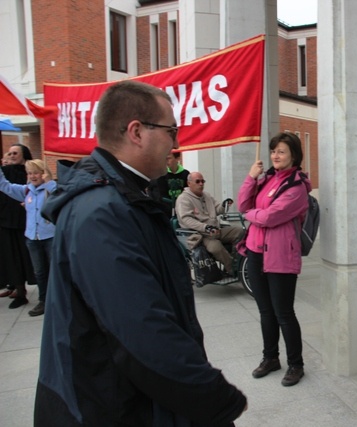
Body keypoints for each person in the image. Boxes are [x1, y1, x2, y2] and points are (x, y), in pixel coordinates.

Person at [36, 80, 247, 426]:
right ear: (137, 132)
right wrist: (216, 399)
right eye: (171, 131)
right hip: (108, 407)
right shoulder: (101, 213)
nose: (176, 144)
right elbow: (142, 332)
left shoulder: (126, 199)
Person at [237, 131, 311, 387]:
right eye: (273, 151)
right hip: (255, 253)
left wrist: (250, 214)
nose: (275, 156)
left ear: (294, 155)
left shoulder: (297, 187)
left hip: (280, 257)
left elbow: (270, 217)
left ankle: (296, 364)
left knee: (283, 313)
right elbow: (242, 203)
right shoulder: (266, 178)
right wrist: (251, 177)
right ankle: (270, 358)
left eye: (281, 151)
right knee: (265, 311)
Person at [0, 159, 56, 316]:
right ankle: (43, 300)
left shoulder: (52, 189)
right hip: (33, 238)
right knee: (39, 272)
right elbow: (4, 185)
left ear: (43, 173)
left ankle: (59, 300)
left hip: (50, 236)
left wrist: (49, 182)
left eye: (36, 172)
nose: (32, 176)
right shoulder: (26, 191)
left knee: (55, 270)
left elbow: (61, 194)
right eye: (30, 173)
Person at [175, 171, 243, 275]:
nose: (201, 184)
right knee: (215, 247)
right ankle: (232, 269)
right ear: (189, 183)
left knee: (241, 231)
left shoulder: (207, 195)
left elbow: (218, 209)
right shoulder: (183, 199)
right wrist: (205, 227)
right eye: (198, 181)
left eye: (203, 181)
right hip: (201, 235)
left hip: (216, 230)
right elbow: (187, 220)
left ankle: (238, 260)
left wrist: (224, 205)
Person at [0, 144, 36, 307]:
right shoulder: (6, 171)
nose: (12, 155)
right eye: (10, 153)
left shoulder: (30, 172)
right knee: (12, 258)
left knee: (29, 259)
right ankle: (19, 290)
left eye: (15, 153)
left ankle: (41, 294)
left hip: (27, 222)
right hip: (7, 221)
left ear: (24, 155)